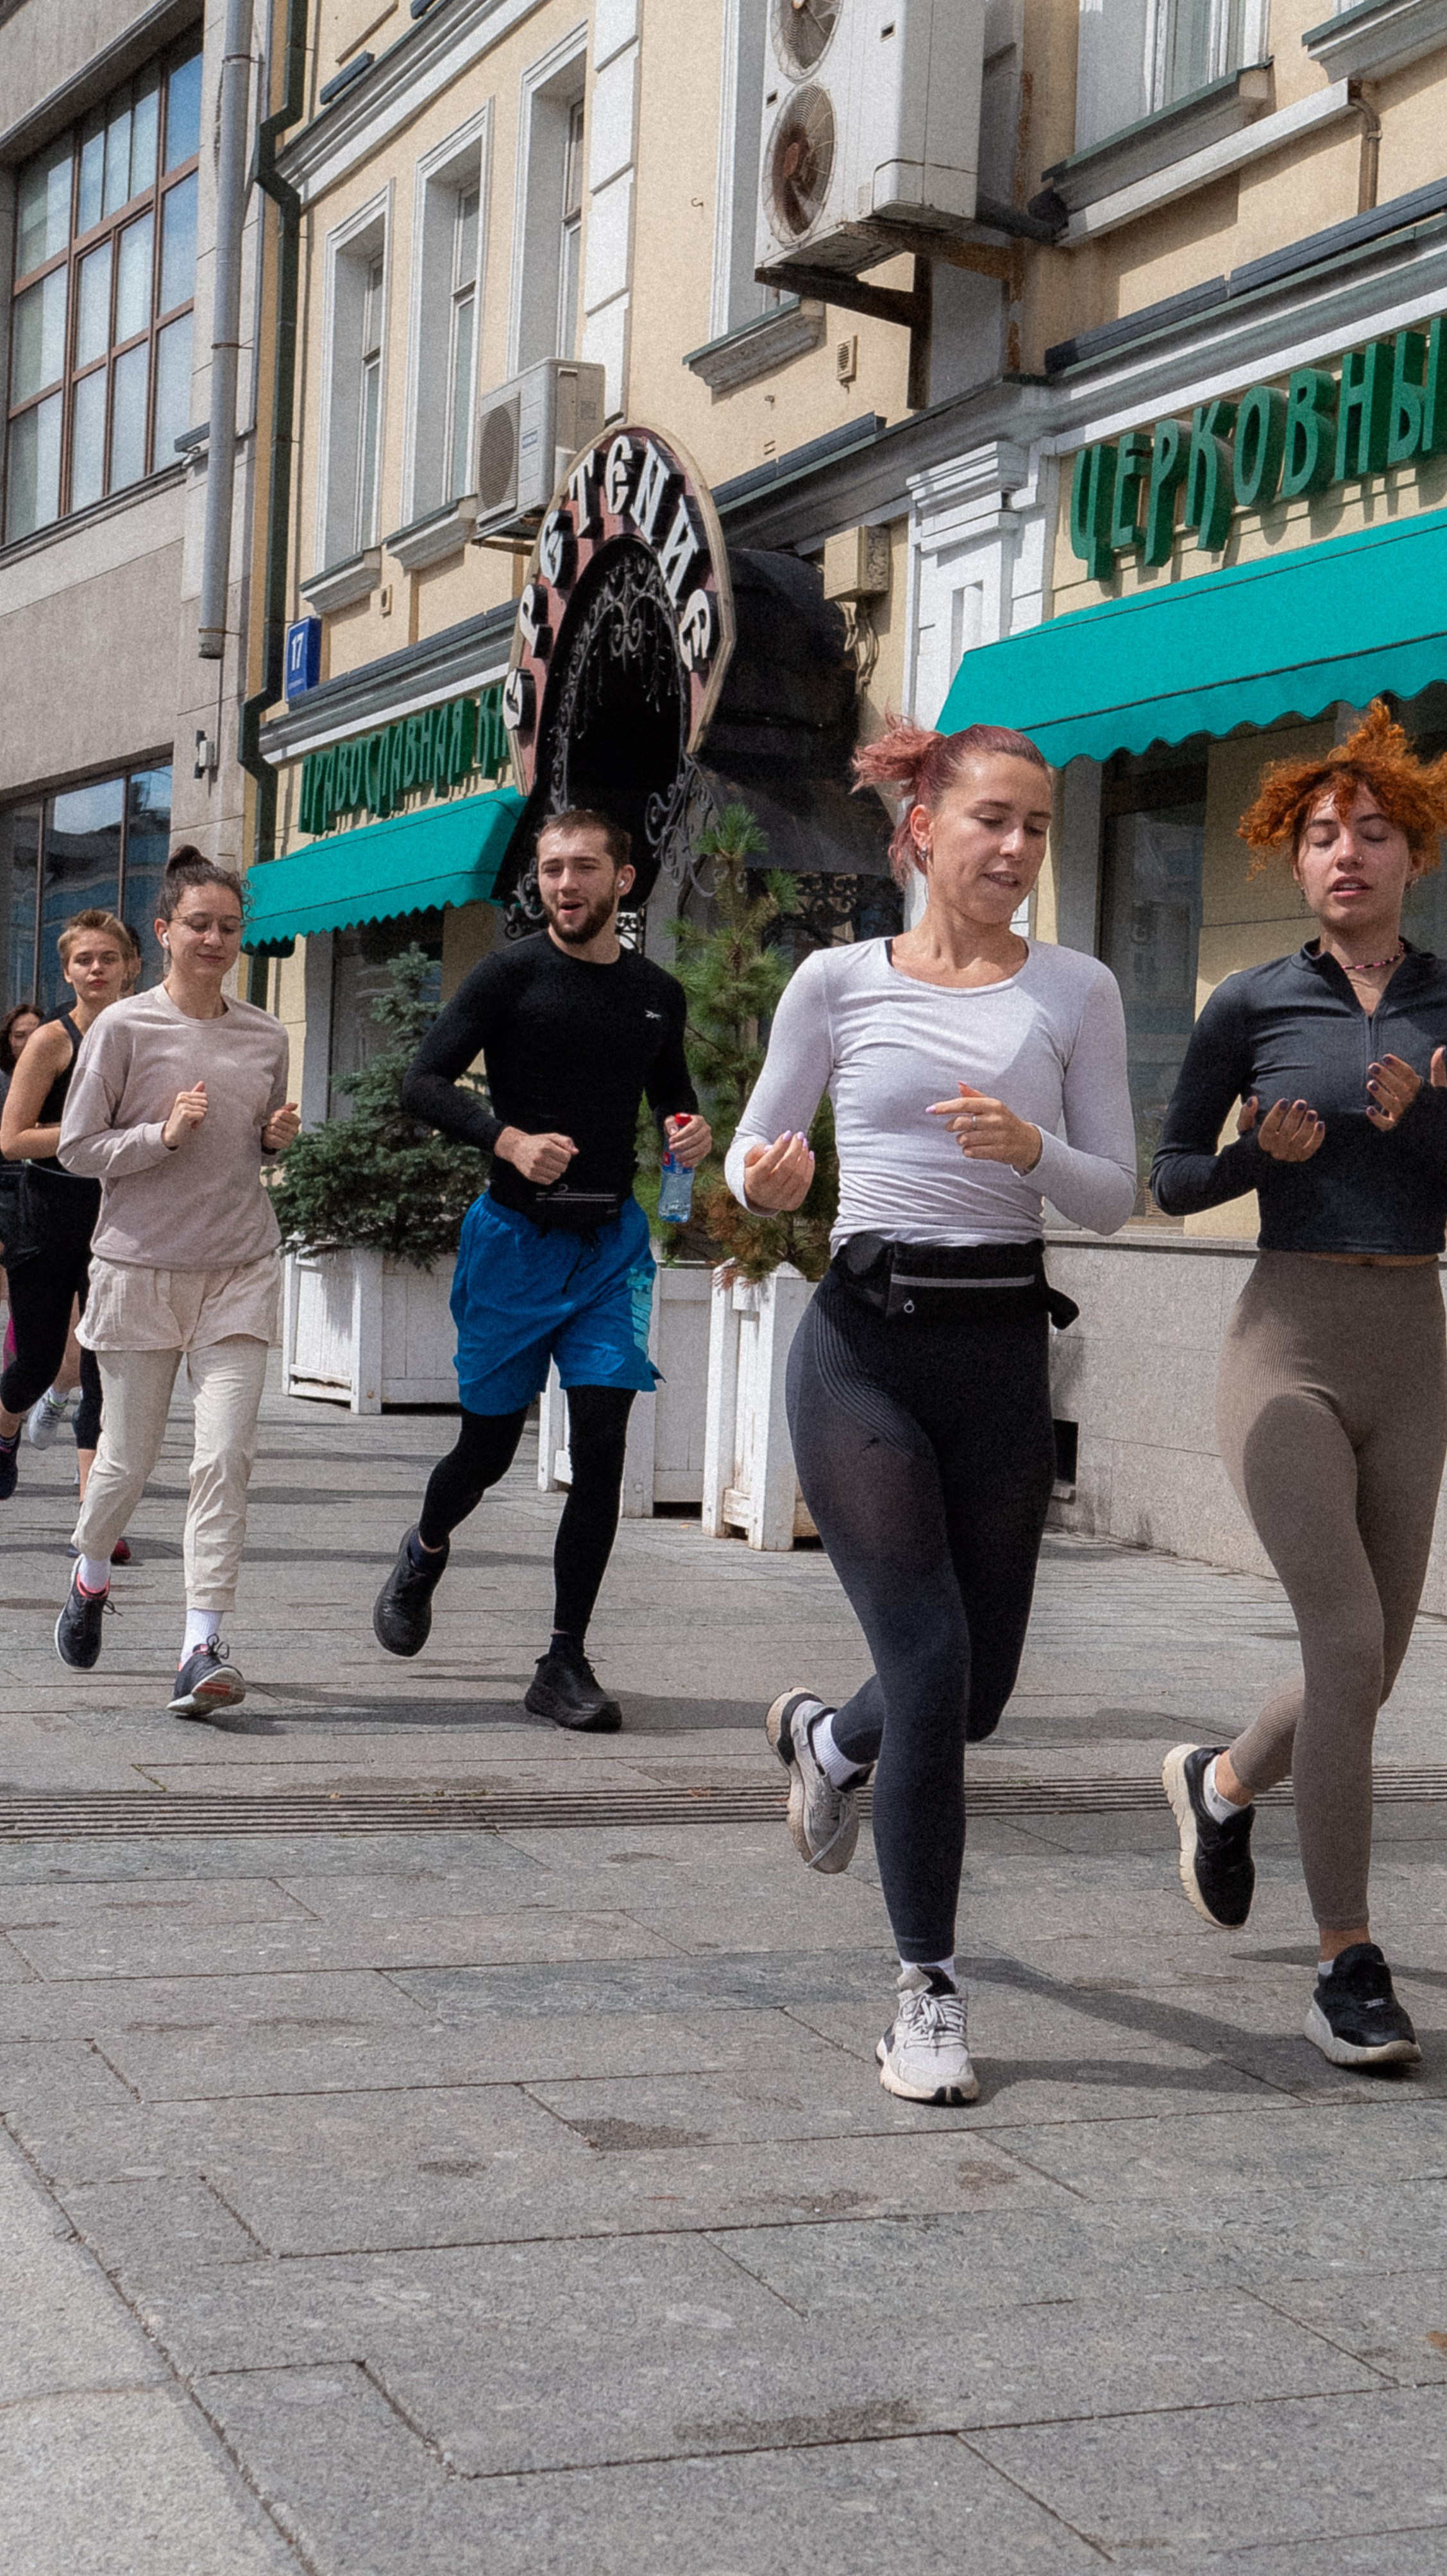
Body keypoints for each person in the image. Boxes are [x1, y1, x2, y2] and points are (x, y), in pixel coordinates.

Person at [728, 717, 1135, 2105]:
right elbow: (753, 1146)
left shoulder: (1076, 991)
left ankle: (828, 1745)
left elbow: (1114, 1193)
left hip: (1002, 1357)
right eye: (991, 821)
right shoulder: (838, 983)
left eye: (1034, 826)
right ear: (923, 829)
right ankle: (928, 1990)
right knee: (932, 1661)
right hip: (863, 1350)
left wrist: (1037, 1148)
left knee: (978, 1690)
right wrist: (768, 1182)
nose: (1016, 849)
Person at [1152, 701, 1447, 2072]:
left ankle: (1222, 1783)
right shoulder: (1251, 1002)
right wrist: (1263, 1154)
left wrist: (1431, 1118)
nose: (1349, 854)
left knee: (1374, 1661)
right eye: (1324, 834)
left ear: (1414, 853)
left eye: (1374, 833)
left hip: (1414, 1338)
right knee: (1344, 1642)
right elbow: (1172, 1180)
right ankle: (1347, 1961)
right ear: (1294, 856)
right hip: (1287, 1343)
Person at [371, 808, 710, 1731]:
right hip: (513, 1242)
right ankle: (427, 1545)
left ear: (623, 880)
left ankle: (563, 1659)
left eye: (584, 868)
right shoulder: (509, 975)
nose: (565, 884)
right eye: (553, 869)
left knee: (601, 1445)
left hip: (610, 1251)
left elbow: (672, 1094)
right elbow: (424, 1081)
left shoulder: (654, 994)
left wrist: (690, 1130)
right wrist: (507, 1138)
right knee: (484, 1447)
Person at [51, 849, 300, 1717]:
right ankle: (88, 1575)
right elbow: (80, 1149)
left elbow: (252, 1147)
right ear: (163, 931)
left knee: (225, 1457)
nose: (215, 939)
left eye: (230, 927)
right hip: (139, 1267)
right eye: (199, 924)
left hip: (237, 1266)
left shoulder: (266, 1035)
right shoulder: (121, 1029)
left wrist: (273, 1138)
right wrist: (160, 1135)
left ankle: (201, 1645)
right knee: (124, 1462)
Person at [0, 917, 131, 1507]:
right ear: (68, 971)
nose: (97, 969)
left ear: (133, 966)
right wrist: (87, 1135)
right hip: (49, 1209)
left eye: (109, 958)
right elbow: (11, 1139)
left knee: (104, 1371)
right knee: (37, 1363)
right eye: (84, 960)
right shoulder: (54, 1040)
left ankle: (92, 1512)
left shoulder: (146, 1031)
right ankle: (5, 1437)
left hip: (120, 1213)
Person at [0, 1001, 42, 1351]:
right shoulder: (3, 1087)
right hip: (9, 1208)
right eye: (19, 1035)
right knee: (20, 1307)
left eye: (35, 1034)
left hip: (50, 1206)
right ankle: (14, 1396)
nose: (28, 1041)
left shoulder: (64, 1087)